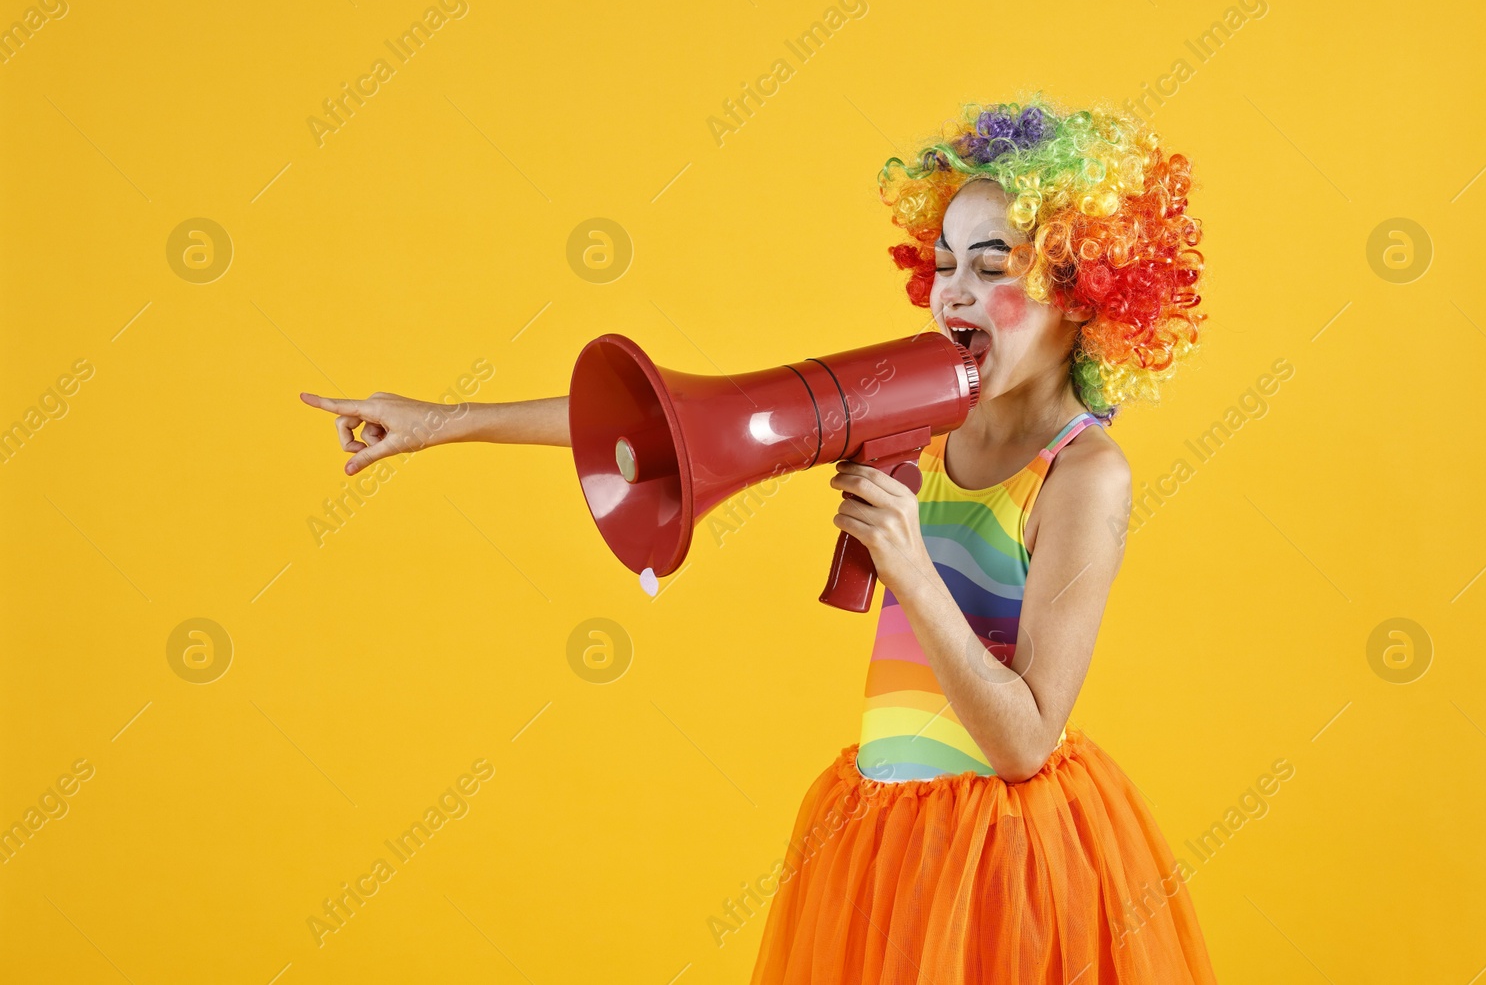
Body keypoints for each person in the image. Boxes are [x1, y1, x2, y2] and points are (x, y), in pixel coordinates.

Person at [301, 95, 1216, 983]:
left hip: (1009, 868)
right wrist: (440, 422)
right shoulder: (928, 403)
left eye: (994, 267)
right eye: (943, 265)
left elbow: (1024, 741)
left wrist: (910, 569)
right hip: (887, 837)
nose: (955, 292)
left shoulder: (1085, 473)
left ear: (1078, 287)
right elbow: (659, 432)